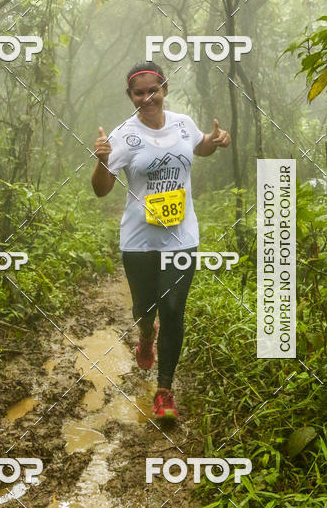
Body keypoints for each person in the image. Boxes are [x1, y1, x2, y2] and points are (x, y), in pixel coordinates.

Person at [91, 61, 231, 420]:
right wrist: (102, 161)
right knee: (145, 309)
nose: (147, 97)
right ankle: (145, 334)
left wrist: (214, 141)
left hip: (181, 237)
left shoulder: (183, 124)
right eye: (139, 93)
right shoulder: (122, 135)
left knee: (172, 311)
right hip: (139, 239)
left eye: (154, 90)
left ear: (165, 89)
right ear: (131, 96)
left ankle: (164, 391)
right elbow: (102, 190)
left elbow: (200, 148)